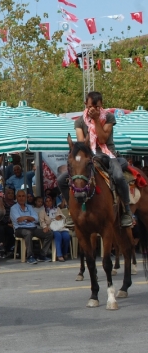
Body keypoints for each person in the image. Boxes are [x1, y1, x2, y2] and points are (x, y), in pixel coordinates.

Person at [57, 91, 133, 227]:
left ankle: (127, 211)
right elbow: (81, 143)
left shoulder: (109, 117)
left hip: (107, 154)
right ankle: (70, 210)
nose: (93, 109)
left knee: (119, 176)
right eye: (90, 106)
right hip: (88, 155)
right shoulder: (80, 121)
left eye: (96, 107)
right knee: (62, 180)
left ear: (101, 105)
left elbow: (103, 138)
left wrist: (96, 120)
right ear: (85, 104)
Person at [10, 190, 53, 264]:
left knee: (49, 233)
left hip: (33, 228)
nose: (21, 198)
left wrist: (25, 217)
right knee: (28, 233)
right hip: (20, 229)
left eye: (23, 196)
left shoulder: (29, 207)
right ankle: (30, 256)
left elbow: (36, 219)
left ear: (25, 197)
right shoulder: (13, 208)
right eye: (19, 196)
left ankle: (42, 255)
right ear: (16, 197)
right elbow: (18, 220)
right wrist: (29, 218)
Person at [44, 196, 71, 262]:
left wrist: (59, 217)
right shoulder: (43, 211)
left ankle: (65, 253)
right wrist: (51, 221)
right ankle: (59, 255)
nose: (48, 202)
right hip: (51, 227)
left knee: (66, 236)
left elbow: (63, 217)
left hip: (60, 227)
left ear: (52, 201)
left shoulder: (57, 209)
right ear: (45, 203)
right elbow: (42, 221)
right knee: (58, 236)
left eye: (50, 201)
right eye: (47, 201)